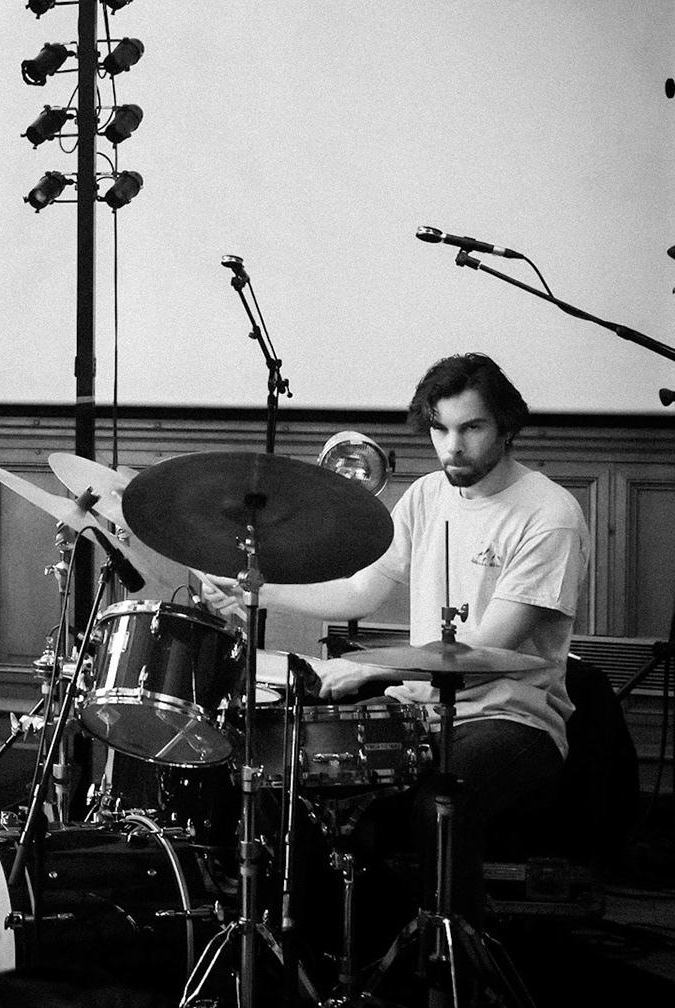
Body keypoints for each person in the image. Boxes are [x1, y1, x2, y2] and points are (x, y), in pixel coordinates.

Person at [218, 353, 586, 919]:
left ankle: (459, 966)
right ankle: (339, 948)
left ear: (507, 427)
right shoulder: (426, 495)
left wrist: (368, 669)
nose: (452, 446)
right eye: (440, 429)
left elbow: (482, 653)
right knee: (286, 777)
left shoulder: (549, 514)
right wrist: (260, 588)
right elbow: (360, 592)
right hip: (418, 710)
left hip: (513, 718)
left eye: (471, 428)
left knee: (440, 808)